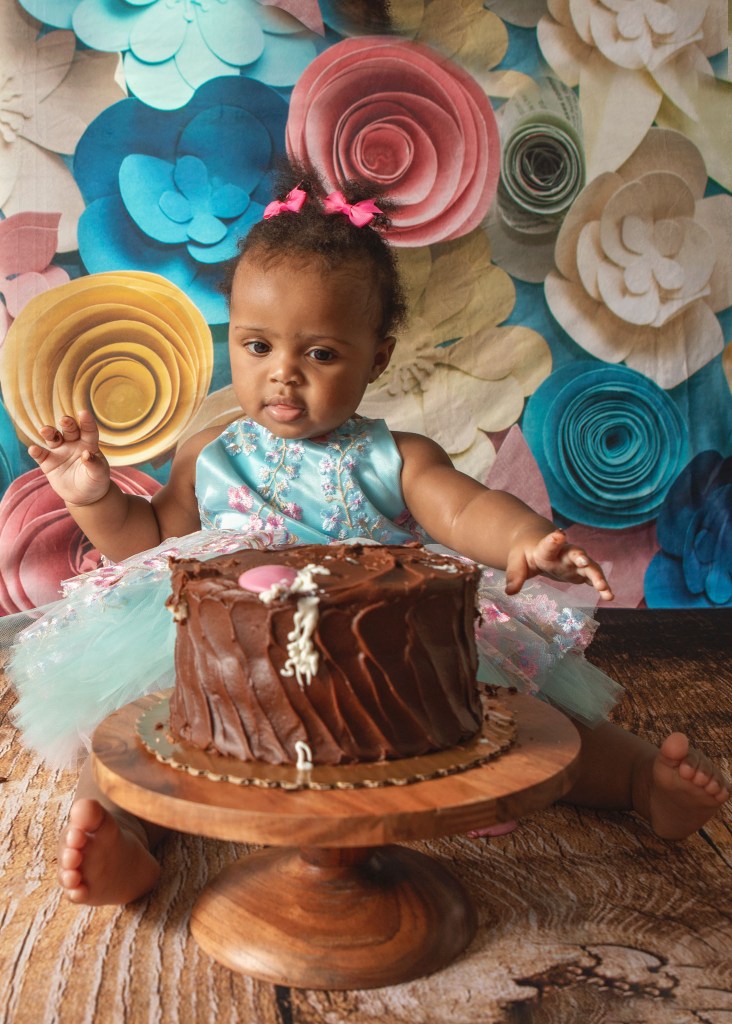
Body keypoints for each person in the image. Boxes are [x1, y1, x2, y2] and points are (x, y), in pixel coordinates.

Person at [11, 165, 729, 907]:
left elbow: (465, 508)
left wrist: (525, 539)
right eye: (258, 347)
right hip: (236, 654)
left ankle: (642, 780)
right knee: (142, 726)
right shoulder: (211, 453)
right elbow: (148, 542)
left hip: (379, 652)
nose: (283, 375)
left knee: (524, 721)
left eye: (319, 353)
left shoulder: (396, 456)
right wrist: (94, 498)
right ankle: (127, 838)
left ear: (376, 357)